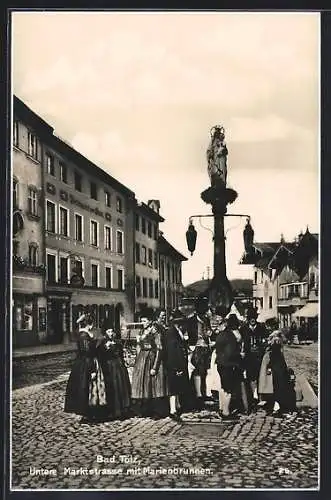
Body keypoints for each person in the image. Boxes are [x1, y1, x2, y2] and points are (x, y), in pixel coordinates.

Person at [64, 313, 107, 424]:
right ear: (89, 324)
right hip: (87, 362)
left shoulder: (81, 333)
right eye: (91, 324)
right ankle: (87, 414)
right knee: (86, 387)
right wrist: (93, 368)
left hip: (83, 362)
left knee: (86, 387)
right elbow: (88, 352)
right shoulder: (84, 335)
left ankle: (89, 413)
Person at [131, 315, 170, 418]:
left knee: (154, 385)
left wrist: (155, 367)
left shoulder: (155, 332)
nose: (143, 322)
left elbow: (159, 349)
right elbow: (138, 347)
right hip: (142, 359)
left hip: (152, 358)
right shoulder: (141, 332)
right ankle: (145, 410)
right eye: (142, 321)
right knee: (143, 384)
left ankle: (157, 411)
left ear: (150, 321)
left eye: (145, 320)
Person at [258, 327, 294, 417]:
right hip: (277, 370)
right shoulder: (276, 347)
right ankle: (277, 408)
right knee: (278, 388)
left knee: (276, 388)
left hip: (276, 370)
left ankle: (276, 407)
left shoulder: (271, 349)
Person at [97, 328, 131, 420]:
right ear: (105, 333)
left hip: (119, 367)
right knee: (112, 387)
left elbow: (121, 354)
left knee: (121, 386)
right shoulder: (102, 343)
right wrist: (106, 348)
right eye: (108, 332)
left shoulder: (118, 342)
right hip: (109, 368)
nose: (111, 334)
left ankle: (123, 409)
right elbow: (100, 356)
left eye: (112, 331)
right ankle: (112, 410)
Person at [164, 309, 191, 422]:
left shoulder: (175, 332)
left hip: (177, 364)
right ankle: (173, 410)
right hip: (174, 364)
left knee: (177, 387)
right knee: (174, 388)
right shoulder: (171, 333)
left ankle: (177, 406)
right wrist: (176, 367)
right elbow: (172, 352)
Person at [215, 314, 242, 421]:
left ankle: (222, 409)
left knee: (223, 387)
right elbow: (230, 353)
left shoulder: (221, 335)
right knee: (229, 389)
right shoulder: (230, 336)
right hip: (229, 364)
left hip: (220, 364)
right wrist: (239, 356)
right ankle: (226, 412)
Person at [240, 307, 267, 411]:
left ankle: (260, 398)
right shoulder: (243, 329)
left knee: (260, 377)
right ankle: (252, 398)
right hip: (248, 357)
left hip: (259, 357)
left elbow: (265, 341)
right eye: (251, 318)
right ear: (248, 318)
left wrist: (262, 348)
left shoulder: (261, 328)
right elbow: (241, 343)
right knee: (250, 377)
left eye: (254, 317)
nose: (252, 319)